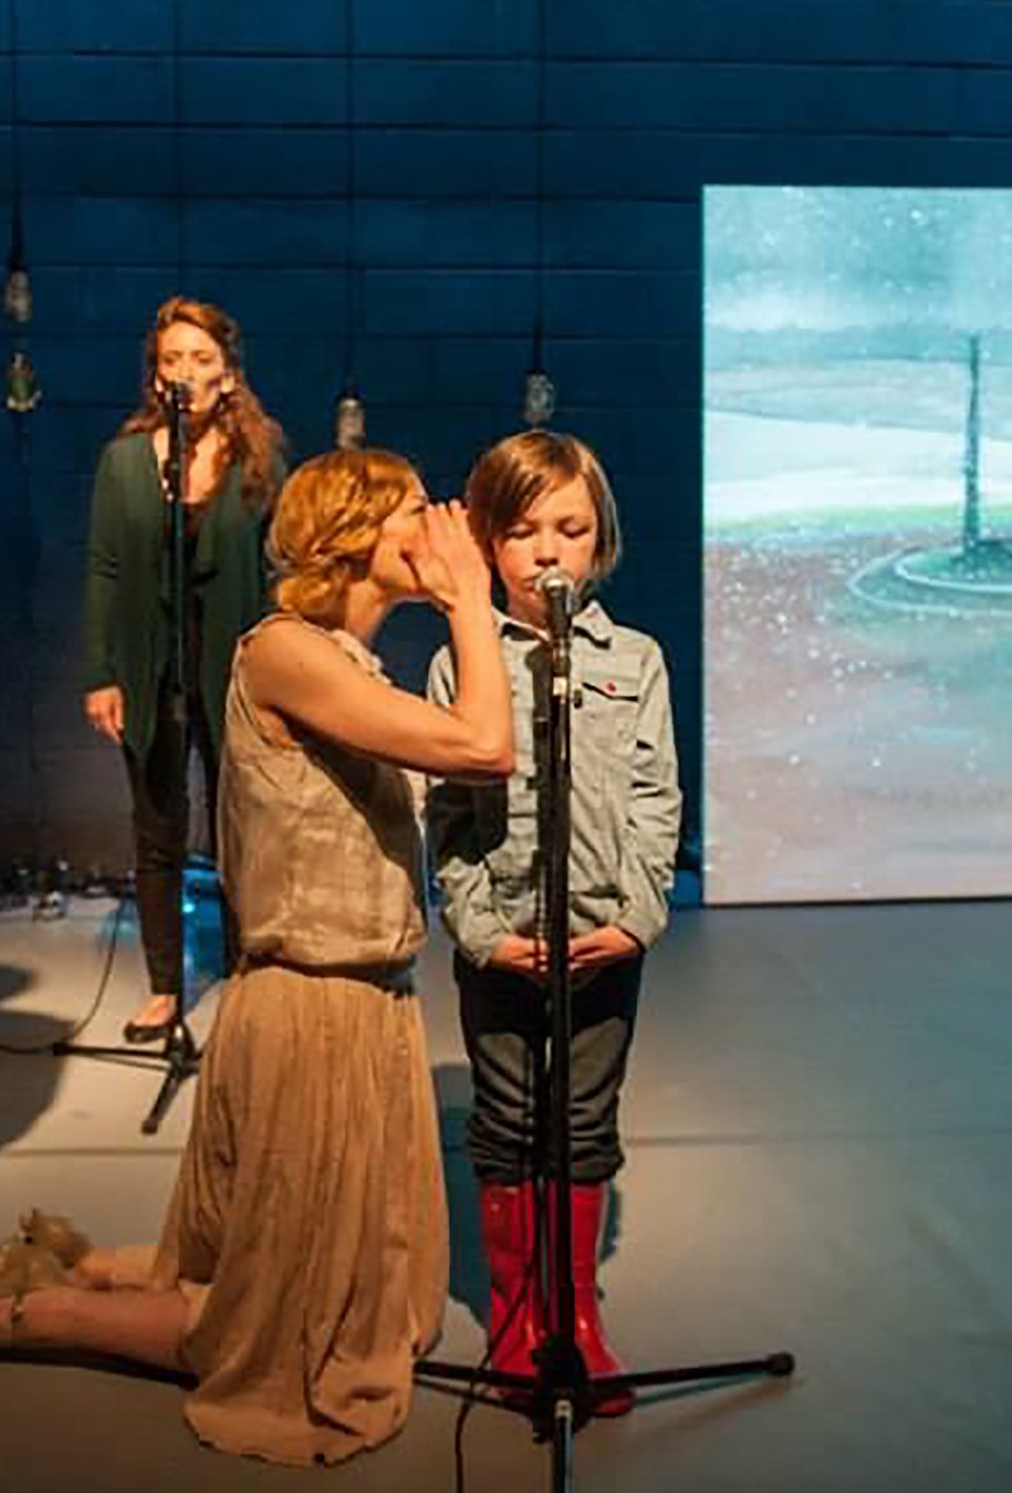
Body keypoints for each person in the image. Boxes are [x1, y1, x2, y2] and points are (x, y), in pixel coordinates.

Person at [0, 449, 512, 1468]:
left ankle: (73, 1263)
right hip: (308, 1011)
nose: (435, 519)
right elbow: (484, 745)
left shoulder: (355, 666)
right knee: (274, 1336)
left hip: (365, 1009)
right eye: (412, 505)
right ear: (354, 531)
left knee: (330, 1291)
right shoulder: (285, 651)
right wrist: (470, 600)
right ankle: (10, 1313)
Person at [425, 430, 680, 1415]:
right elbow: (443, 810)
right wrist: (480, 929)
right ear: (488, 544)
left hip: (602, 942)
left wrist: (638, 915)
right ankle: (515, 1316)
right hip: (504, 944)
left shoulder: (637, 660)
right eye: (523, 531)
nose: (546, 553)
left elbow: (658, 798)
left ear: (600, 539)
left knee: (580, 1121)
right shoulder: (466, 661)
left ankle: (576, 1321)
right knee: (507, 1123)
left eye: (569, 530)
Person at [79, 297, 286, 1041]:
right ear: (154, 374)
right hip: (149, 669)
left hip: (232, 672)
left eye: (201, 360)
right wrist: (101, 672)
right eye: (172, 361)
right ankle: (165, 987)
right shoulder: (124, 461)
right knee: (156, 829)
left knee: (242, 826)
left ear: (228, 375)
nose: (186, 374)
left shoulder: (259, 460)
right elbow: (104, 567)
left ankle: (246, 973)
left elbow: (278, 574)